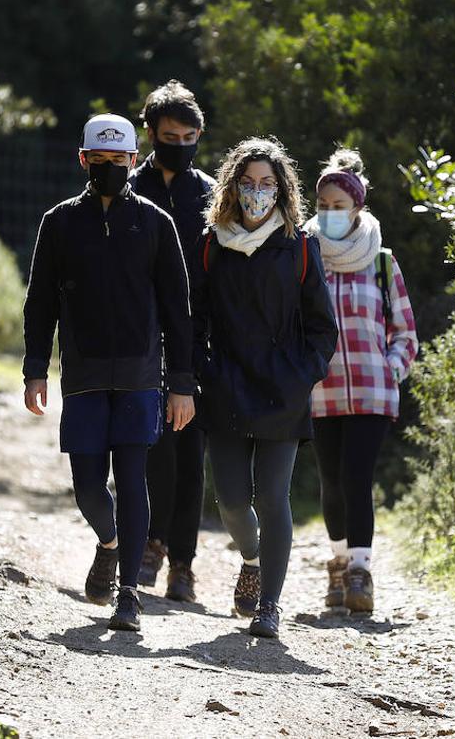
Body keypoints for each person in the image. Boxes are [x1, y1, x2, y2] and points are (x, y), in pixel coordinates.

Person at [21, 113, 196, 633]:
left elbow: (178, 309)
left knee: (134, 480)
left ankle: (128, 595)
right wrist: (35, 370)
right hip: (84, 375)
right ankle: (111, 542)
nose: (110, 169)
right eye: (99, 161)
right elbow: (39, 303)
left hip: (142, 375)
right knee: (88, 488)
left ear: (132, 161)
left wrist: (182, 383)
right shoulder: (58, 223)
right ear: (84, 161)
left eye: (118, 162)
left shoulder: (156, 225)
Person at [192, 137, 338, 639]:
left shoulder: (299, 247)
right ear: (233, 186)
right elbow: (195, 320)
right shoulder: (211, 244)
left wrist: (304, 372)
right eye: (249, 183)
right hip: (226, 387)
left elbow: (323, 327)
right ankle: (250, 559)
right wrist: (197, 375)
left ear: (282, 190)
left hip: (283, 392)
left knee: (273, 496)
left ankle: (269, 606)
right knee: (231, 499)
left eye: (267, 184)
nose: (257, 193)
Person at [306, 148, 418, 615]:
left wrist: (391, 370)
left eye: (340, 206)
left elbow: (405, 331)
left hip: (373, 390)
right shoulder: (307, 255)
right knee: (330, 480)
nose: (331, 214)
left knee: (357, 477)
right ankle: (337, 564)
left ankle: (361, 571)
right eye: (323, 206)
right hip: (320, 390)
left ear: (358, 208)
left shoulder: (381, 261)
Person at [128, 81, 215, 604]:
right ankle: (149, 543)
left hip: (200, 336)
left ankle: (183, 562)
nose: (179, 144)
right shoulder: (129, 185)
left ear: (200, 135)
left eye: (188, 136)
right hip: (141, 335)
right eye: (168, 136)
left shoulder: (209, 192)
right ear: (151, 134)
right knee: (148, 446)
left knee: (191, 451)